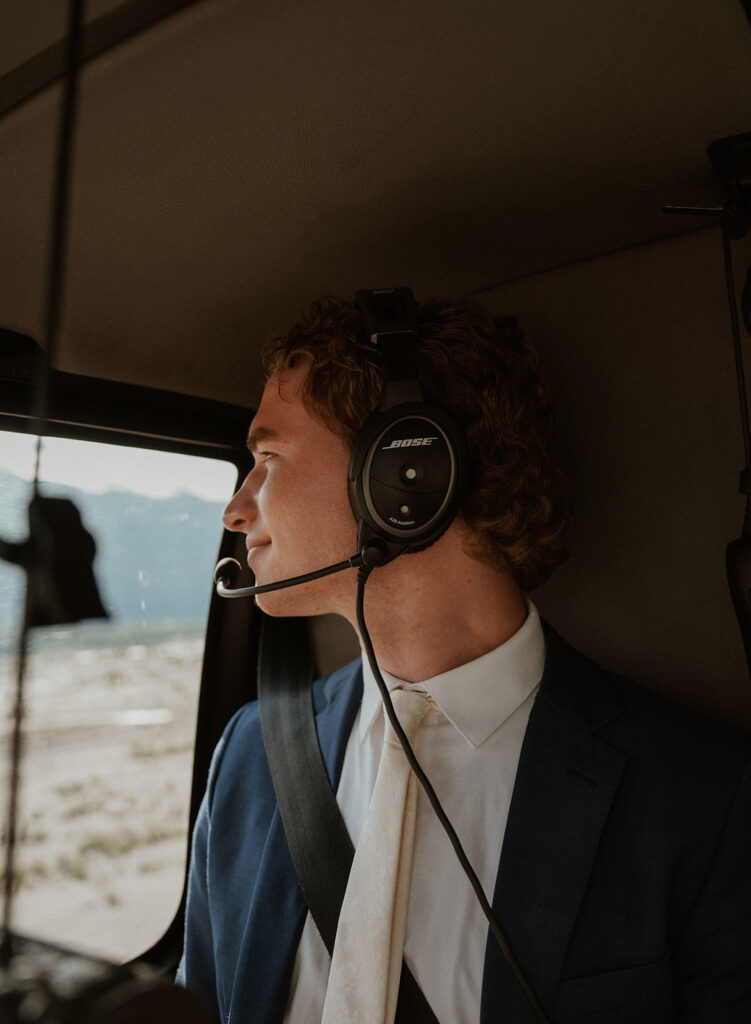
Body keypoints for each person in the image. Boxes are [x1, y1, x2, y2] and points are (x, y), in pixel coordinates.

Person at [177, 295, 751, 1023]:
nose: (235, 509)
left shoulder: (701, 799)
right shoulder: (250, 757)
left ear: (407, 473)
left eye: (266, 458)